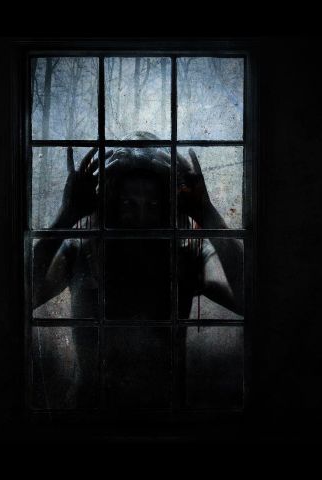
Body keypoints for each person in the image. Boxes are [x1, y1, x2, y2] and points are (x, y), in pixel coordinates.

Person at [32, 131, 244, 406]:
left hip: (164, 417)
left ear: (167, 207)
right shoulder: (79, 252)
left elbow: (250, 301)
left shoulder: (188, 255)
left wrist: (207, 214)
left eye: (152, 205)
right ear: (110, 204)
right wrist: (66, 216)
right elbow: (20, 299)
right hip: (88, 417)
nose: (141, 218)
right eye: (128, 204)